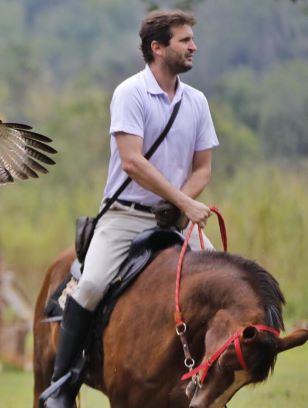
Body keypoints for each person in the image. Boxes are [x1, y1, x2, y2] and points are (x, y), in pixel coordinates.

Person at [40, 9, 219, 407]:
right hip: (126, 216)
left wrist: (182, 205)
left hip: (175, 219)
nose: (194, 46)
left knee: (221, 285)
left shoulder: (197, 102)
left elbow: (203, 167)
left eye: (192, 39)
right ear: (157, 48)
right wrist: (185, 201)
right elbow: (133, 162)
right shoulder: (130, 93)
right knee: (89, 286)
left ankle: (208, 379)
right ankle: (62, 386)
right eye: (184, 40)